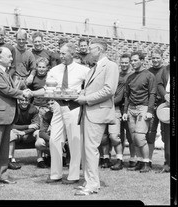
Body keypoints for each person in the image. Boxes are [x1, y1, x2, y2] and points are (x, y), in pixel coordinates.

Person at [30, 42, 89, 184]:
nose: (61, 56)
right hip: (58, 107)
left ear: (72, 54)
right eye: (60, 53)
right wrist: (31, 92)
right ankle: (55, 174)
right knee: (54, 140)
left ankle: (73, 175)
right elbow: (47, 89)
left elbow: (90, 87)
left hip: (74, 108)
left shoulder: (83, 70)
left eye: (63, 53)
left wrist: (81, 94)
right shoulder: (55, 70)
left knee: (75, 142)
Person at [75, 38, 119, 196]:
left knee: (91, 148)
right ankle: (89, 181)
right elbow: (92, 89)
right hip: (87, 112)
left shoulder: (111, 66)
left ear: (100, 49)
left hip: (97, 112)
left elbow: (109, 90)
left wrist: (86, 99)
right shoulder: (93, 68)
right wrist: (81, 94)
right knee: (86, 149)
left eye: (91, 48)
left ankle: (92, 184)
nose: (88, 51)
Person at [0, 47, 30, 187]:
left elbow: (10, 89)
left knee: (4, 148)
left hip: (6, 115)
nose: (11, 59)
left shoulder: (4, 72)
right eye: (9, 56)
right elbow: (6, 90)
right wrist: (23, 93)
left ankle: (2, 175)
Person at [122, 51, 156, 173]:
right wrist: (125, 111)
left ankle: (147, 162)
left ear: (142, 60)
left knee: (140, 137)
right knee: (133, 138)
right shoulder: (130, 77)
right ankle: (140, 161)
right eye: (132, 60)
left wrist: (150, 110)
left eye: (135, 60)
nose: (132, 63)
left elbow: (152, 94)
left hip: (143, 108)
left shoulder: (149, 75)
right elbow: (127, 95)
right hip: (131, 109)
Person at [100, 54, 133, 170]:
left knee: (115, 136)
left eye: (126, 62)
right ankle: (105, 158)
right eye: (122, 62)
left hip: (118, 108)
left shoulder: (130, 76)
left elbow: (123, 96)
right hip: (105, 108)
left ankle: (120, 159)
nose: (124, 64)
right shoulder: (115, 75)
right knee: (103, 136)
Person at [147, 49, 167, 168]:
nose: (155, 60)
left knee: (166, 135)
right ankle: (148, 160)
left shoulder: (166, 70)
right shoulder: (148, 72)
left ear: (162, 58)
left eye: (157, 58)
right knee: (150, 133)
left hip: (164, 105)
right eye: (153, 58)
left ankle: (167, 161)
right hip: (152, 105)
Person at [8, 97, 40, 170]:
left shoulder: (33, 109)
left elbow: (36, 125)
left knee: (38, 132)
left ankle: (40, 159)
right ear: (19, 101)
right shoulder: (14, 109)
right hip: (16, 132)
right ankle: (10, 159)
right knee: (10, 133)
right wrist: (27, 126)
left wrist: (24, 132)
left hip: (28, 133)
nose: (24, 102)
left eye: (26, 100)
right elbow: (10, 125)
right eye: (22, 100)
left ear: (29, 101)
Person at [156, 63, 170, 173]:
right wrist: (165, 94)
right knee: (168, 137)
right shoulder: (165, 69)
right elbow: (159, 84)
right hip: (167, 104)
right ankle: (168, 164)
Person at [35, 99, 55, 168]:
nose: (50, 106)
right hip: (52, 139)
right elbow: (41, 132)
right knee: (39, 142)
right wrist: (51, 140)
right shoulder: (47, 115)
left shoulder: (64, 113)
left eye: (52, 104)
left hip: (64, 139)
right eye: (48, 104)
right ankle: (40, 160)